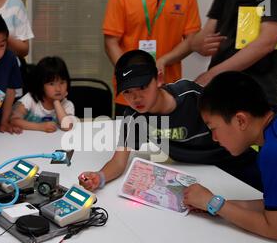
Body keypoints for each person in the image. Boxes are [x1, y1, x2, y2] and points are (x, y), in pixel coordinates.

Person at [78, 50, 262, 192]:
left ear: (158, 78)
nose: (136, 98)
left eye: (143, 87)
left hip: (232, 166)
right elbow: (118, 162)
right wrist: (99, 177)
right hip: (193, 175)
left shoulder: (194, 97)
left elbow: (241, 132)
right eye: (127, 92)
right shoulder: (133, 116)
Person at [183, 71, 277, 240]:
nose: (214, 138)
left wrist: (213, 203)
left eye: (214, 129)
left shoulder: (276, 150)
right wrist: (213, 204)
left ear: (240, 121)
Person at [191, 0, 277, 108]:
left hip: (256, 94)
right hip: (217, 91)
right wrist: (197, 43)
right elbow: (207, 33)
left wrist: (211, 75)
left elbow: (267, 42)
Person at [103, 0, 201, 115]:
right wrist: (133, 75)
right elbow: (111, 42)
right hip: (131, 93)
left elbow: (192, 39)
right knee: (131, 134)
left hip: (169, 93)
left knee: (169, 134)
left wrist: (164, 60)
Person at [10, 56, 75, 132]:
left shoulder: (67, 104)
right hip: (29, 141)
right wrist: (40, 127)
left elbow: (67, 127)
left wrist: (56, 102)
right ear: (41, 85)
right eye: (51, 84)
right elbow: (14, 120)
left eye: (62, 82)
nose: (58, 89)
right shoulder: (30, 99)